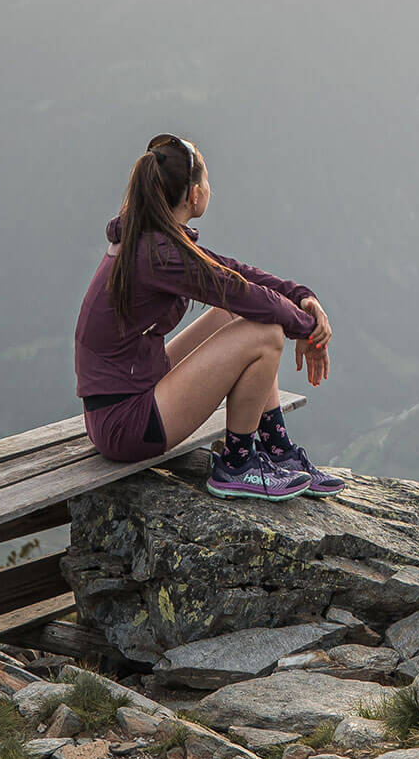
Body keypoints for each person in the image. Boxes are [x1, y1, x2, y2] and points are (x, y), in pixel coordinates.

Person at [74, 132, 344, 499]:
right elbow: (240, 291)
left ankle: (277, 451)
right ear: (194, 195)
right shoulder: (157, 254)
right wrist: (306, 329)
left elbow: (232, 272)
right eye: (205, 179)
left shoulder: (149, 238)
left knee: (229, 316)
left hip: (127, 397)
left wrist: (301, 297)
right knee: (265, 334)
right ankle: (237, 465)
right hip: (127, 424)